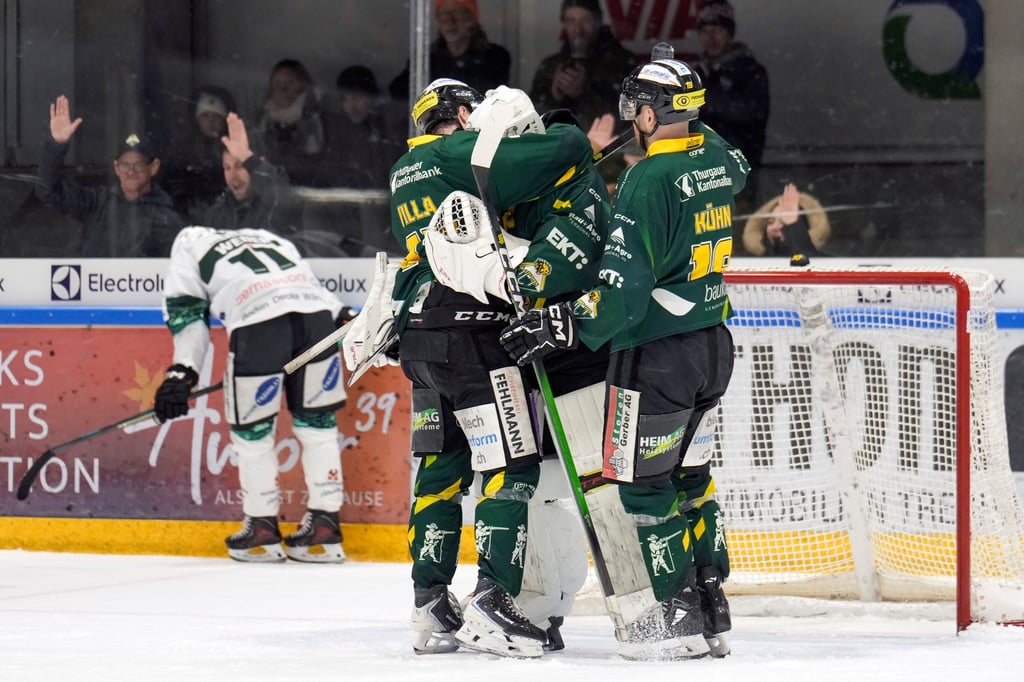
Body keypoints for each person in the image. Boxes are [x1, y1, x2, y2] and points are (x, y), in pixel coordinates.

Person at [500, 57, 751, 660]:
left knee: (641, 487)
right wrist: (685, 113)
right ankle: (709, 602)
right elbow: (733, 163)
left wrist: (562, 321)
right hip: (714, 347)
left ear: (645, 114)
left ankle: (672, 618)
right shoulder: (718, 160)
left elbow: (623, 292)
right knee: (692, 479)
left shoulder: (645, 181)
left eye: (637, 105)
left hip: (658, 354)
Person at [377, 79, 606, 659]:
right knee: (512, 465)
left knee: (439, 470)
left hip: (419, 336)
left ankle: (428, 600)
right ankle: (493, 601)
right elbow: (560, 154)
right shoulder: (458, 155)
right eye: (471, 112)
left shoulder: (406, 167)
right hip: (472, 331)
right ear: (458, 113)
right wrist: (570, 137)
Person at [154, 225, 350, 564]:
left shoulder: (187, 247)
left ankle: (261, 525)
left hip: (258, 325)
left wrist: (182, 372)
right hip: (316, 322)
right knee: (318, 425)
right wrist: (343, 316)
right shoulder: (268, 236)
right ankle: (324, 523)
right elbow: (314, 288)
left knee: (253, 432)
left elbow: (188, 317)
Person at [36, 95, 183, 257]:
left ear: (153, 168)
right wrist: (57, 145)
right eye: (125, 164)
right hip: (91, 282)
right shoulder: (96, 203)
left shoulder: (166, 219)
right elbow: (48, 192)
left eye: (139, 165)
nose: (131, 171)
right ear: (116, 168)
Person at [693, 0, 769, 206]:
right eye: (705, 31)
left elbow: (751, 111)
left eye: (717, 30)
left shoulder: (751, 71)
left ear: (729, 33)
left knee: (737, 229)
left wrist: (705, 97)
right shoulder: (696, 73)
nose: (711, 37)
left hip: (738, 172)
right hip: (697, 171)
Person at [529, 0, 637, 133]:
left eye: (586, 20)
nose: (578, 30)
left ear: (598, 22)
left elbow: (628, 121)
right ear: (564, 24)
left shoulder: (622, 64)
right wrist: (554, 95)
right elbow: (533, 121)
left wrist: (586, 92)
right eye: (571, 21)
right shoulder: (550, 66)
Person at [204, 112, 304, 242]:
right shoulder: (216, 215)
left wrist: (247, 158)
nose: (233, 177)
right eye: (227, 168)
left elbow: (283, 202)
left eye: (240, 166)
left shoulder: (276, 204)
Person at [387, 0, 511, 100]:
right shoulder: (427, 59)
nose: (449, 21)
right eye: (443, 14)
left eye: (456, 13)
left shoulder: (495, 57)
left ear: (471, 19)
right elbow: (398, 92)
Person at [163, 85, 237, 223]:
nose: (211, 121)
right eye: (205, 116)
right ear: (196, 120)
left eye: (216, 116)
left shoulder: (234, 150)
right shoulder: (182, 152)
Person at [257, 59, 328, 186]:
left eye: (290, 83)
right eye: (277, 83)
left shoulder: (316, 118)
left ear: (302, 86)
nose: (283, 89)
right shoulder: (264, 120)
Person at [743, 181, 831, 258]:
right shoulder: (749, 264)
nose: (775, 227)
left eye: (784, 222)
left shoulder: (828, 264)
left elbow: (805, 261)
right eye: (771, 222)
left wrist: (793, 228)